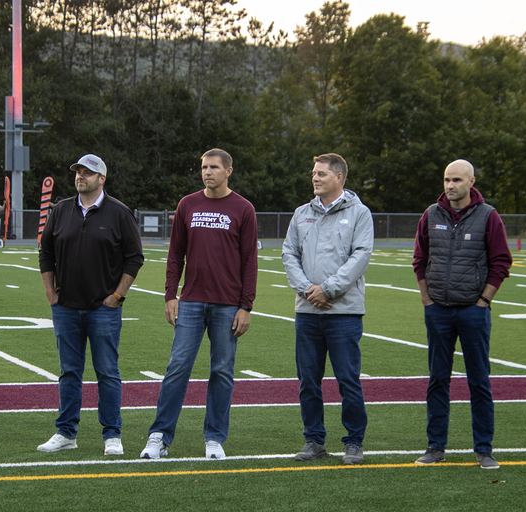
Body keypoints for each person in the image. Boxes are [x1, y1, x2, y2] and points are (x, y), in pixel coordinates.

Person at [140, 148, 258, 460]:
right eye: (204, 167)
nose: (207, 172)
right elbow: (175, 254)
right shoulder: (187, 204)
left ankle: (215, 438)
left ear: (228, 170)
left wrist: (246, 305)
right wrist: (170, 295)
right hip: (190, 301)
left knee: (222, 370)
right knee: (177, 367)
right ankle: (159, 436)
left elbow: (250, 261)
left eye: (214, 167)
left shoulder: (244, 208)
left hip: (228, 304)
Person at [36, 154, 144, 455]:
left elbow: (134, 258)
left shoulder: (119, 213)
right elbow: (45, 253)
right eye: (78, 172)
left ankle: (112, 434)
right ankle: (66, 432)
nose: (81, 176)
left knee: (107, 371)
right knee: (69, 371)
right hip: (66, 307)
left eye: (88, 172)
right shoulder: (59, 211)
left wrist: (117, 296)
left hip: (103, 308)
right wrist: (50, 294)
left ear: (102, 179)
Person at [412, 159, 512, 470]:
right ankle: (435, 446)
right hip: (438, 310)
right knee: (437, 379)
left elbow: (501, 263)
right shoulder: (431, 214)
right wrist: (427, 299)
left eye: (456, 180)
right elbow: (420, 259)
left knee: (479, 380)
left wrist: (483, 301)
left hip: (473, 310)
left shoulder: (488, 216)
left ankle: (484, 448)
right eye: (446, 180)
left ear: (471, 182)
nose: (450, 186)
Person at [282, 153, 374, 465]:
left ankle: (354, 442)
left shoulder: (360, 214)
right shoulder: (301, 213)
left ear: (339, 177)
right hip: (307, 311)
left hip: (344, 312)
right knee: (308, 380)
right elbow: (289, 254)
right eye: (314, 173)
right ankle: (314, 440)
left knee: (348, 380)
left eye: (321, 173)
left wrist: (328, 289)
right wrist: (309, 291)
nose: (315, 178)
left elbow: (360, 257)